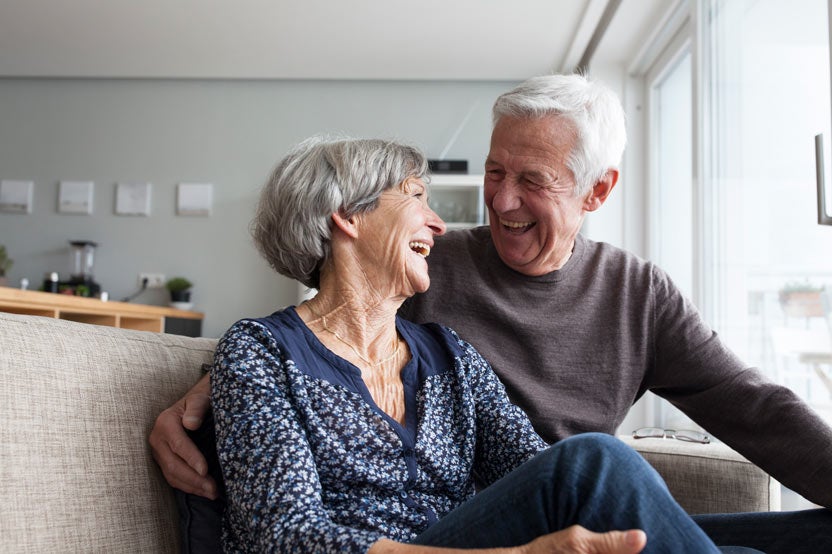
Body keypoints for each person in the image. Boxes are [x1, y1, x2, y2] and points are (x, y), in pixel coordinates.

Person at [150, 75, 832, 552]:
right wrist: (212, 387)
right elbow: (317, 332)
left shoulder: (629, 296)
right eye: (494, 171)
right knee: (593, 464)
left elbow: (753, 406)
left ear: (596, 191)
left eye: (532, 180)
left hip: (558, 510)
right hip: (484, 528)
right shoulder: (415, 274)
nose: (498, 202)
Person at [206, 135, 734, 553]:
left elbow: (539, 475)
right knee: (594, 459)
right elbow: (286, 537)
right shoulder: (262, 351)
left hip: (464, 538)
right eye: (416, 197)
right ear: (349, 216)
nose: (438, 224)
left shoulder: (447, 353)